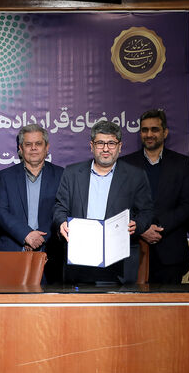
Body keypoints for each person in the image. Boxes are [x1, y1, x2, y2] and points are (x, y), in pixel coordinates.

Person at [53, 120, 154, 284]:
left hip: (119, 263)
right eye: (100, 143)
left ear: (120, 146)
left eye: (111, 143)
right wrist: (61, 222)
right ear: (91, 146)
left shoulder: (136, 176)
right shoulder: (72, 173)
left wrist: (138, 225)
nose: (106, 149)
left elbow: (147, 211)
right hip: (80, 260)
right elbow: (60, 207)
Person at [121, 109, 189, 284]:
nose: (149, 134)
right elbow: (119, 205)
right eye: (144, 130)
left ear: (165, 132)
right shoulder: (125, 164)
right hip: (133, 250)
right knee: (133, 302)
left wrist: (159, 226)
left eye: (154, 129)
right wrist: (142, 229)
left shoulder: (181, 163)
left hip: (170, 251)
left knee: (168, 302)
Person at [0, 124, 64, 282]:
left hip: (51, 254)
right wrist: (26, 235)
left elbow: (64, 211)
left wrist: (39, 239)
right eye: (28, 144)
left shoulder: (62, 175)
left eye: (38, 144)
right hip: (13, 253)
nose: (34, 148)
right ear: (20, 148)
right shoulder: (5, 177)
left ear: (47, 147)